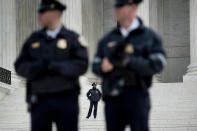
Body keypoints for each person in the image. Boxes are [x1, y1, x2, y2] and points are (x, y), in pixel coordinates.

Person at [92, 0, 166, 131]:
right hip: (113, 98)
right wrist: (102, 67)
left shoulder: (150, 36)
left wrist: (129, 61)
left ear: (133, 7)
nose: (116, 8)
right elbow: (95, 65)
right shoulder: (107, 38)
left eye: (120, 6)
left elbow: (158, 64)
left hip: (137, 95)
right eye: (115, 5)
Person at [14, 0, 88, 131]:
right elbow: (19, 66)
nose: (39, 15)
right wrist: (38, 66)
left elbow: (81, 65)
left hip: (66, 99)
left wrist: (56, 66)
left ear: (56, 13)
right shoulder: (33, 40)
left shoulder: (73, 39)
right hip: (39, 100)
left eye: (43, 11)